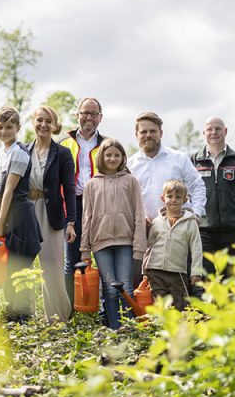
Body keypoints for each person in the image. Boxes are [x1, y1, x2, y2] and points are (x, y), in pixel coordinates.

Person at [127, 111, 206, 288]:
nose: (148, 135)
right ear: (136, 135)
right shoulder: (130, 165)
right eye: (143, 132)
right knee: (147, 285)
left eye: (153, 131)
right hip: (146, 233)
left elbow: (197, 185)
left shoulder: (178, 159)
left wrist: (197, 214)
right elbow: (126, 199)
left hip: (179, 231)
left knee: (182, 285)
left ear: (161, 133)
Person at [80, 139, 147, 330]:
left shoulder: (130, 180)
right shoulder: (92, 185)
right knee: (109, 289)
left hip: (125, 241)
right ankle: (115, 331)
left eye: (116, 155)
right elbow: (87, 217)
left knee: (125, 287)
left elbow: (139, 214)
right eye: (108, 155)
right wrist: (84, 249)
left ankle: (130, 330)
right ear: (101, 157)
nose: (112, 158)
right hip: (100, 243)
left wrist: (139, 245)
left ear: (123, 158)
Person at [0, 106, 42, 322]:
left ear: (17, 127)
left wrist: (0, 222)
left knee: (19, 268)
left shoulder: (19, 154)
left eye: (9, 127)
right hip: (4, 215)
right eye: (0, 127)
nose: (4, 131)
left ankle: (21, 316)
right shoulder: (1, 152)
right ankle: (11, 312)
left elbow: (9, 190)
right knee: (7, 268)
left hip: (19, 217)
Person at [27, 106, 76, 323]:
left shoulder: (62, 153)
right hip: (26, 212)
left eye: (48, 121)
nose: (43, 125)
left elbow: (70, 188)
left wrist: (71, 221)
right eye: (40, 120)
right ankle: (26, 318)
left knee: (52, 268)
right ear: (33, 122)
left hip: (51, 213)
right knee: (24, 268)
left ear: (55, 125)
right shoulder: (23, 150)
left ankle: (59, 318)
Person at [60, 97, 106, 307]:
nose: (89, 117)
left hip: (102, 206)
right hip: (73, 206)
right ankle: (72, 311)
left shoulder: (107, 144)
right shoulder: (64, 143)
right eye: (84, 113)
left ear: (100, 118)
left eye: (93, 113)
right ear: (77, 115)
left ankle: (104, 312)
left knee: (104, 260)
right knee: (72, 261)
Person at [190, 116, 235, 277]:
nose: (213, 132)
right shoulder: (193, 161)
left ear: (225, 131)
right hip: (203, 230)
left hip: (234, 230)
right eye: (209, 129)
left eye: (217, 128)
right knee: (205, 279)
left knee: (231, 281)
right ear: (204, 133)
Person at [143, 180, 203, 311]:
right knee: (161, 306)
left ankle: (182, 331)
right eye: (169, 196)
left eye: (178, 197)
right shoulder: (157, 222)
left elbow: (196, 249)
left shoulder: (190, 222)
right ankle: (162, 330)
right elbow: (149, 246)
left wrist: (196, 272)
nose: (173, 200)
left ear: (185, 200)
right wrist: (145, 270)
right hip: (155, 270)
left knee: (180, 306)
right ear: (162, 198)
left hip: (177, 272)